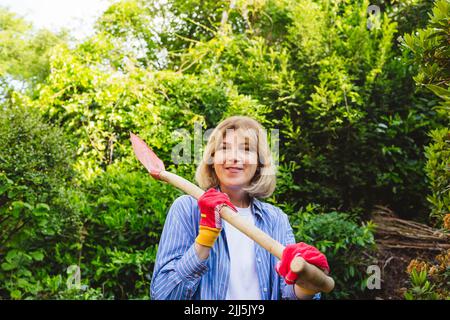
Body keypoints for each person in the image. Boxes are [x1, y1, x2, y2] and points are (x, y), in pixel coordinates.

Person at [151, 116, 329, 300]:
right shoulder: (187, 209)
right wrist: (205, 238)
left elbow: (288, 293)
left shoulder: (275, 219)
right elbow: (163, 295)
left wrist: (306, 286)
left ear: (260, 163)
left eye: (246, 149)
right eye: (224, 148)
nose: (234, 157)